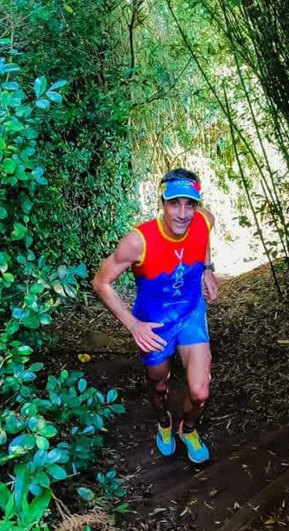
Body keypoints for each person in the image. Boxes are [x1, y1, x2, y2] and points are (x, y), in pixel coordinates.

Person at [92, 168, 219, 464]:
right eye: (175, 203)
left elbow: (205, 234)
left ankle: (188, 429)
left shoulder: (203, 220)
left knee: (200, 391)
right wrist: (132, 324)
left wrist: (208, 268)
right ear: (162, 202)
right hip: (154, 323)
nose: (183, 213)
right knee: (159, 385)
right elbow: (101, 282)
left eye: (190, 204)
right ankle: (164, 421)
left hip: (190, 313)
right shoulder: (139, 241)